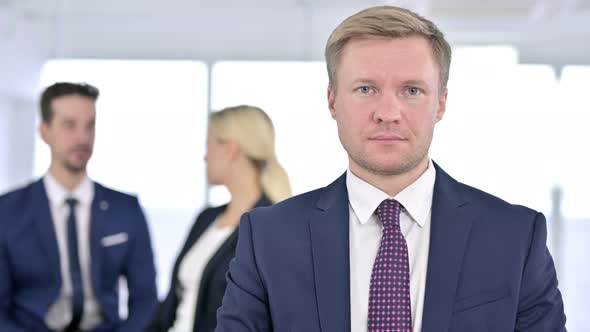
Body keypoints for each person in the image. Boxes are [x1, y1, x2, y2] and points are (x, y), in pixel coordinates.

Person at [214, 6, 566, 332]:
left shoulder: (515, 237)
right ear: (332, 101)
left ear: (441, 103)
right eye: (366, 89)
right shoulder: (268, 238)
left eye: (411, 90)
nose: (388, 112)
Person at [0, 82, 158, 332]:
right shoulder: (7, 212)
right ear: (44, 131)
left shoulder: (125, 210)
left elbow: (146, 300)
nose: (82, 138)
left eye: (90, 125)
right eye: (69, 125)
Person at [146, 105, 291, 332]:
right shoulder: (207, 218)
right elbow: (171, 305)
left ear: (230, 149)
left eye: (209, 145)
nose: (205, 156)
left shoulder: (274, 228)